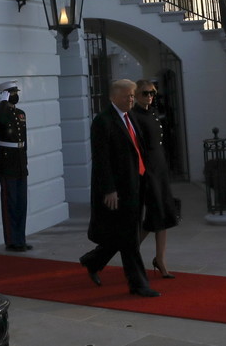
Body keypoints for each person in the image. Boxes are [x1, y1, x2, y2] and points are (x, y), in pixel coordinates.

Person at [80, 79, 160, 297]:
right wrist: (109, 189)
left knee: (124, 234)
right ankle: (138, 284)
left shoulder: (130, 116)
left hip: (137, 183)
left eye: (133, 95)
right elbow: (101, 159)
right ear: (113, 97)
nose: (131, 99)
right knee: (130, 239)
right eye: (127, 96)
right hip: (119, 189)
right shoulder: (103, 121)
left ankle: (93, 261)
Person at [132, 80, 179, 279]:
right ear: (136, 95)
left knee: (165, 214)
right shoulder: (134, 116)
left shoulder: (151, 112)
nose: (150, 97)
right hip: (148, 170)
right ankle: (130, 250)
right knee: (155, 214)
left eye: (152, 93)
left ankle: (160, 258)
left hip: (160, 168)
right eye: (145, 93)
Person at [0, 80, 31, 252]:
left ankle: (20, 239)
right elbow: (0, 120)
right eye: (12, 93)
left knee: (21, 204)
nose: (16, 95)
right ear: (5, 94)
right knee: (10, 204)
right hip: (7, 164)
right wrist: (3, 103)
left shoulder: (21, 113)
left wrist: (25, 161)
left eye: (16, 92)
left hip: (20, 162)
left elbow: (24, 140)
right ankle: (11, 241)